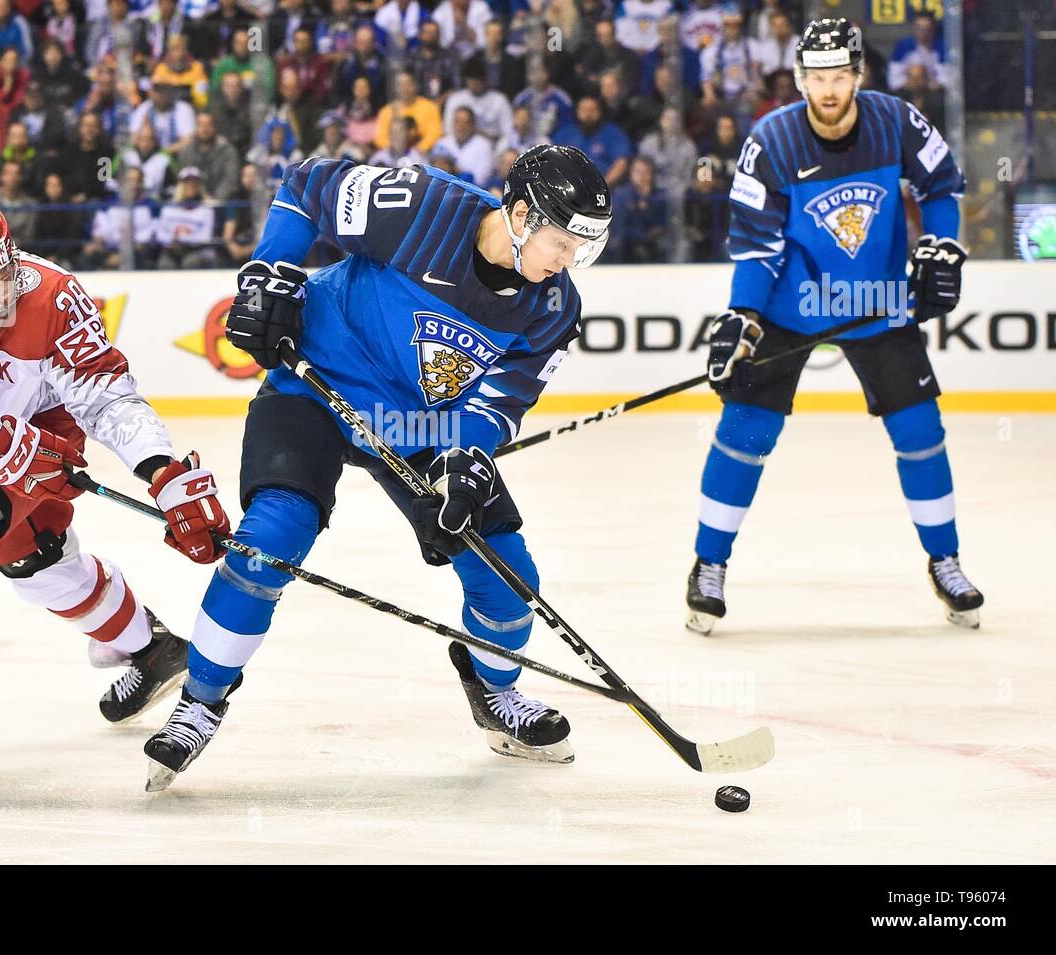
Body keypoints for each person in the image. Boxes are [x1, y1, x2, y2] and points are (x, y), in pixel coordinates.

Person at [142, 144, 612, 791]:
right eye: (562, 243)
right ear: (523, 215)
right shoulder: (422, 207)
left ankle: (495, 690)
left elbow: (502, 400)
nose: (567, 263)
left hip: (422, 424)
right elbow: (306, 184)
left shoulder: (553, 308)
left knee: (508, 572)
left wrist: (467, 463)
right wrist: (268, 275)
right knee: (271, 538)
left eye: (582, 250)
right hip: (317, 381)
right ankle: (200, 698)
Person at [0, 189, 230, 780]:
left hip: (44, 432)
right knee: (40, 569)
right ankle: (154, 649)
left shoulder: (54, 295)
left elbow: (107, 397)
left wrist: (162, 470)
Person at [684, 18, 984, 633]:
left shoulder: (896, 121)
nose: (828, 89)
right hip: (790, 315)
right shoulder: (771, 142)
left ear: (858, 75)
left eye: (839, 76)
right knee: (743, 432)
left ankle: (946, 560)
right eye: (817, 77)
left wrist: (943, 247)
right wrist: (742, 316)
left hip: (879, 306)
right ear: (799, 79)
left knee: (921, 430)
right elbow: (756, 249)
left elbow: (942, 187)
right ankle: (707, 565)